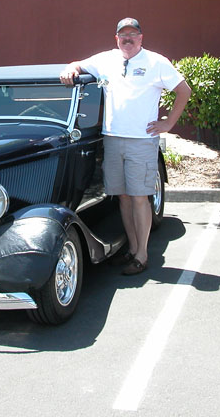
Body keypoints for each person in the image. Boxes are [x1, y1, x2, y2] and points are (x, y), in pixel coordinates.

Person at [60, 18, 191, 275]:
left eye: (133, 34)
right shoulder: (106, 59)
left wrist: (169, 123)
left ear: (141, 37)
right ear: (116, 38)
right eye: (123, 35)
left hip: (141, 141)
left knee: (140, 197)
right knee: (122, 196)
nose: (127, 39)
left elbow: (183, 90)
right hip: (112, 138)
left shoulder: (156, 62)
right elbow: (78, 64)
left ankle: (142, 255)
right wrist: (70, 68)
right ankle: (131, 249)